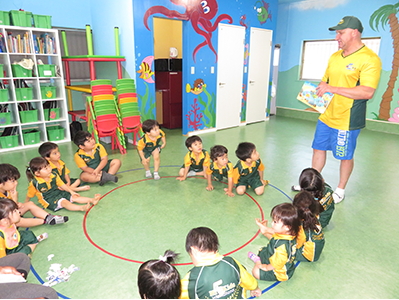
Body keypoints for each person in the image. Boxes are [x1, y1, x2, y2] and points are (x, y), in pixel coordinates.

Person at [293, 16, 382, 204]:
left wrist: (332, 89)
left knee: (345, 155)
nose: (337, 37)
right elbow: (326, 81)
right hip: (327, 116)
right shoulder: (334, 56)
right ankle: (310, 185)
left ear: (354, 32)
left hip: (347, 119)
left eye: (340, 33)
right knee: (318, 149)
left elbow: (367, 92)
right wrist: (317, 93)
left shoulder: (369, 59)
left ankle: (340, 189)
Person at [181, 227, 262, 299]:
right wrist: (255, 288)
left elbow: (177, 294)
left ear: (193, 251)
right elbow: (248, 280)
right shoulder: (231, 263)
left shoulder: (192, 277)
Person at [0, 163, 68, 227]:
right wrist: (14, 199)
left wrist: (16, 204)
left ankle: (49, 217)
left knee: (30, 204)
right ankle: (44, 221)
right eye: (12, 181)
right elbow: (8, 214)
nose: (16, 183)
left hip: (10, 213)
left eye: (15, 180)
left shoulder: (7, 191)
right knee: (19, 222)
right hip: (5, 221)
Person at [25, 157, 101, 212]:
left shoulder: (53, 175)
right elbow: (29, 195)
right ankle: (81, 208)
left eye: (49, 166)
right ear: (37, 173)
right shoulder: (35, 183)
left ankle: (92, 200)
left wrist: (71, 192)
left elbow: (62, 185)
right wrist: (25, 203)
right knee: (64, 202)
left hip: (58, 192)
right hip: (49, 199)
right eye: (45, 169)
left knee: (74, 197)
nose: (49, 169)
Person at [248, 203, 300, 282]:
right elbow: (274, 237)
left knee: (255, 272)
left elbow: (276, 264)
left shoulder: (282, 248)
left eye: (275, 222)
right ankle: (259, 261)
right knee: (263, 250)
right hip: (275, 257)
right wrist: (265, 229)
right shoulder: (289, 233)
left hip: (279, 271)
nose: (272, 223)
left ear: (287, 227)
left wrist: (266, 267)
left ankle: (257, 261)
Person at [293, 191, 325, 262]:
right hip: (316, 247)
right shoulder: (313, 216)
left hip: (308, 256)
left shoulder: (303, 227)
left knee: (283, 246)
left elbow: (297, 245)